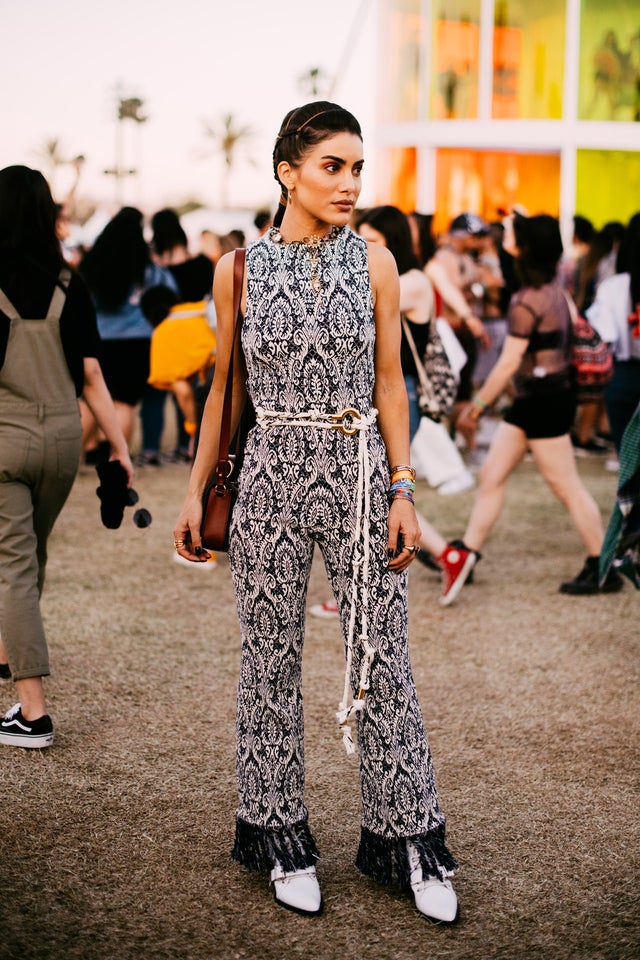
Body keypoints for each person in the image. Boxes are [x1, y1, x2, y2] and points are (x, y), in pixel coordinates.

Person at [173, 102, 458, 922]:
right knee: (268, 662)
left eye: (357, 167)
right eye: (332, 165)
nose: (349, 182)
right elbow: (225, 390)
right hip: (268, 476)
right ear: (287, 172)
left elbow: (392, 385)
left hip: (363, 474)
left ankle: (408, 838)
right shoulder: (238, 270)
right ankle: (277, 830)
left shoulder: (374, 260)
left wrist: (404, 486)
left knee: (383, 658)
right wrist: (196, 490)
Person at [0, 165, 134, 748]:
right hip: (62, 440)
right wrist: (121, 446)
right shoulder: (67, 282)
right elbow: (92, 377)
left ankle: (32, 716)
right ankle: (8, 650)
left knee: (14, 566)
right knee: (28, 557)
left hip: (4, 438)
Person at [452, 213, 624, 598]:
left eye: (513, 234)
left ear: (524, 248)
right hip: (541, 399)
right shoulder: (553, 288)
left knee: (567, 486)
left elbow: (509, 362)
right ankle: (467, 551)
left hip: (544, 402)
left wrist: (476, 406)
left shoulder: (527, 300)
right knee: (492, 475)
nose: (505, 236)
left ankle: (602, 564)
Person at [79, 207, 177, 465]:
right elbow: (169, 293)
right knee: (124, 404)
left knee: (89, 399)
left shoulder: (92, 265)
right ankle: (116, 458)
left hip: (98, 340)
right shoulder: (148, 269)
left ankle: (73, 453)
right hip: (138, 343)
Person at [586, 212, 640, 454]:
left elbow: (603, 336)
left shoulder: (612, 287)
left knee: (628, 463)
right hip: (623, 374)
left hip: (622, 378)